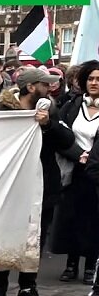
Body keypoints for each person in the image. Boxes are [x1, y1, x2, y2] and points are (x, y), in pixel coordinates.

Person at [0, 67, 78, 296]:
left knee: (35, 238)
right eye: (45, 84)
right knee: (4, 234)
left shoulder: (49, 109)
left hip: (43, 183)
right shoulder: (4, 113)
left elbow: (68, 141)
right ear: (30, 87)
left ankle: (28, 289)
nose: (50, 89)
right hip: (11, 184)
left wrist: (49, 125)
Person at [52, 60, 99, 284]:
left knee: (93, 219)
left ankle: (91, 266)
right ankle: (71, 265)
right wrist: (77, 153)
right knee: (71, 217)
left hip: (96, 173)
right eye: (90, 78)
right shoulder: (72, 106)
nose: (94, 83)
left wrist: (92, 157)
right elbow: (61, 134)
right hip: (74, 170)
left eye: (98, 79)